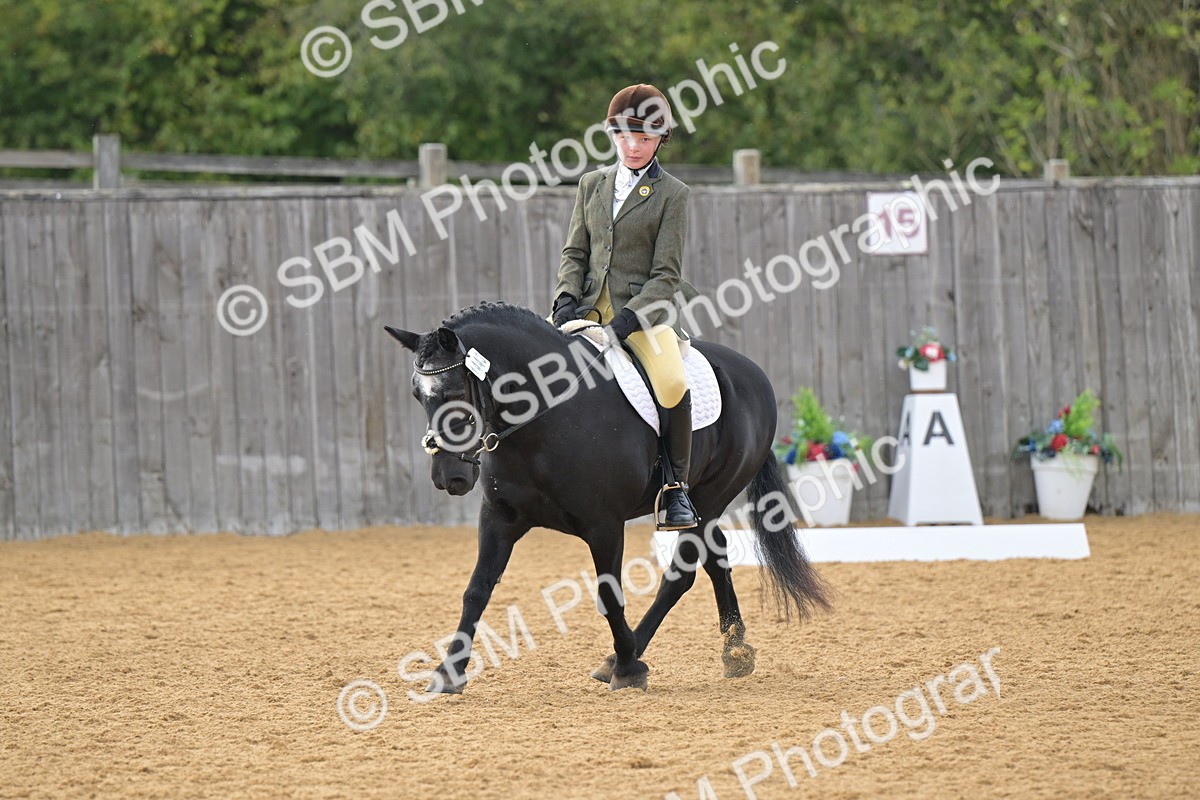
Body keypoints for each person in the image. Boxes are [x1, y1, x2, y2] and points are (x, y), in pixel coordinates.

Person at [551, 83, 700, 530]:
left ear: (661, 140)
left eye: (645, 138)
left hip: (644, 315)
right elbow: (575, 253)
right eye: (625, 136)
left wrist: (632, 317)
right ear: (611, 134)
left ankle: (677, 491)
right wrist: (563, 299)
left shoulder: (673, 194)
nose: (633, 147)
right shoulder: (590, 184)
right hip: (586, 311)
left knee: (672, 382)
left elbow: (667, 275)